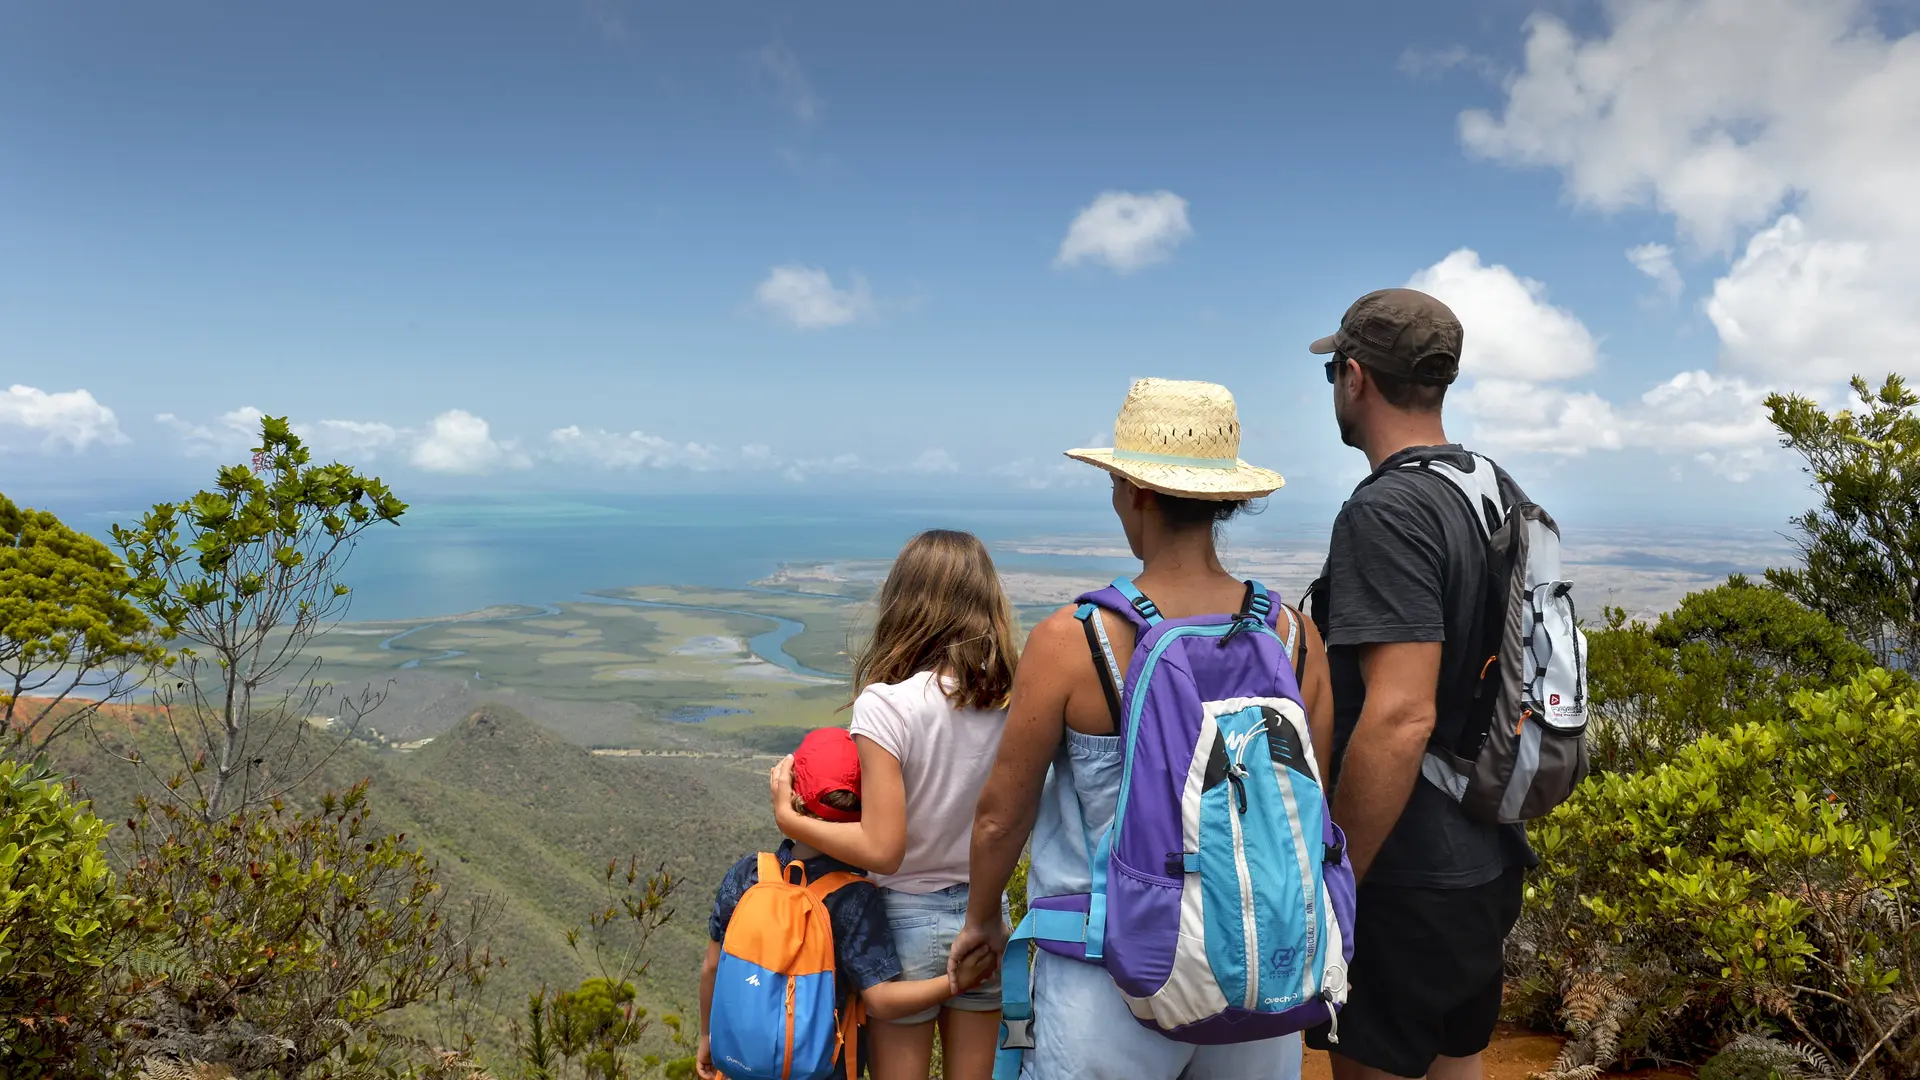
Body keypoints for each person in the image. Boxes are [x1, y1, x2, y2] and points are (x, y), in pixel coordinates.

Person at [950, 378, 1333, 1080]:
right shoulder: (1295, 637)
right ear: (1226, 499)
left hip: (1107, 975)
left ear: (1137, 492)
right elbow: (1311, 806)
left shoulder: (1077, 639)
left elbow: (1001, 816)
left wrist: (981, 922)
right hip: (1253, 976)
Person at [1301, 289, 1539, 1080]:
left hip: (1403, 873)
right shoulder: (1493, 487)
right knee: (1453, 1063)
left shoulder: (1389, 510)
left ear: (1356, 377)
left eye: (1334, 368)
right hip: (1483, 849)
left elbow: (1400, 715)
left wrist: (1336, 881)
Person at [769, 530, 1019, 1080]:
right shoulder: (1010, 702)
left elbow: (883, 848)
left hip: (904, 918)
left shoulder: (887, 704)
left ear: (905, 602)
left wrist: (789, 818)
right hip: (987, 917)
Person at [701, 727, 998, 1080]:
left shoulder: (748, 873)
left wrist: (706, 1035)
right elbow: (881, 999)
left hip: (738, 1063)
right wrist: (954, 983)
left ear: (790, 792)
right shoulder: (856, 896)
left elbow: (712, 967)